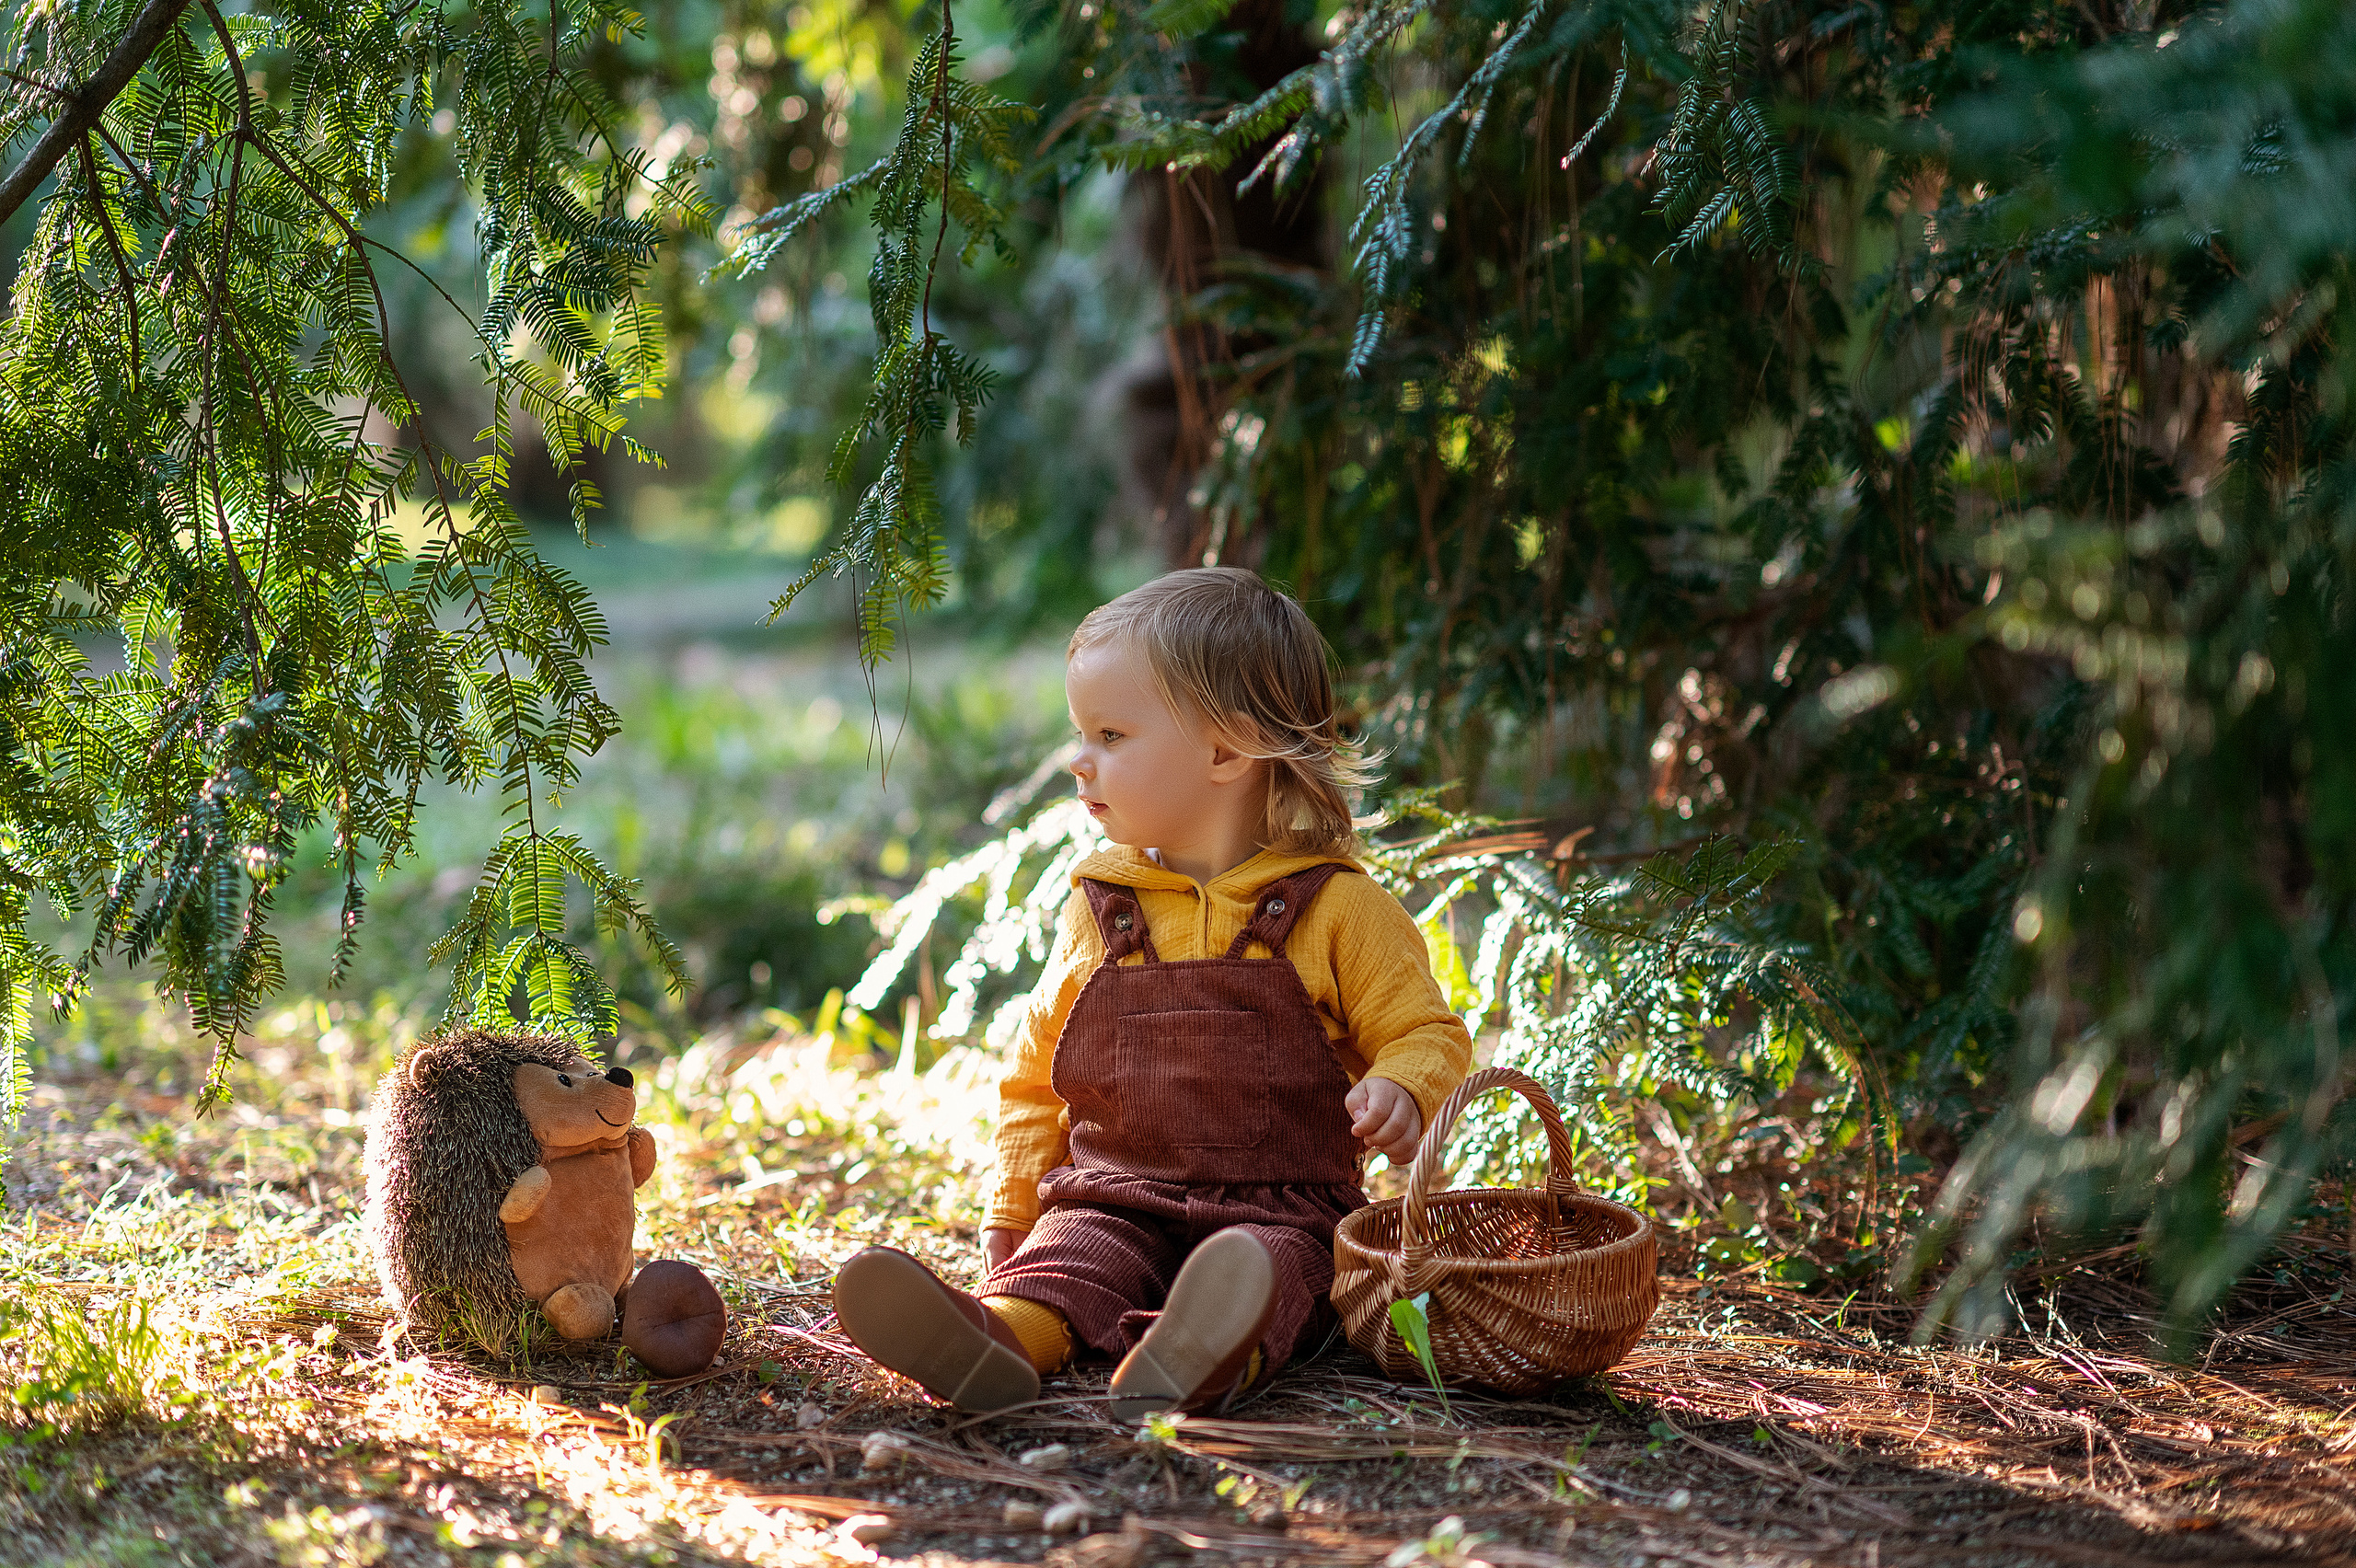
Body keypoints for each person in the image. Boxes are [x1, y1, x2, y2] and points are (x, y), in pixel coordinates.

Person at [831, 568, 1472, 1418]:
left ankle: (1200, 1355)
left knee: (1279, 1273)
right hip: (1114, 1193)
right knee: (1070, 1260)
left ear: (1225, 750)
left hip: (1279, 1210)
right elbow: (1036, 1076)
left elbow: (1427, 1032)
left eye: (1110, 733)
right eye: (1080, 732)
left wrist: (1401, 1085)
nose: (1078, 760)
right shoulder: (1103, 911)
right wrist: (1015, 1207)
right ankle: (997, 1341)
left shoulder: (1339, 909)